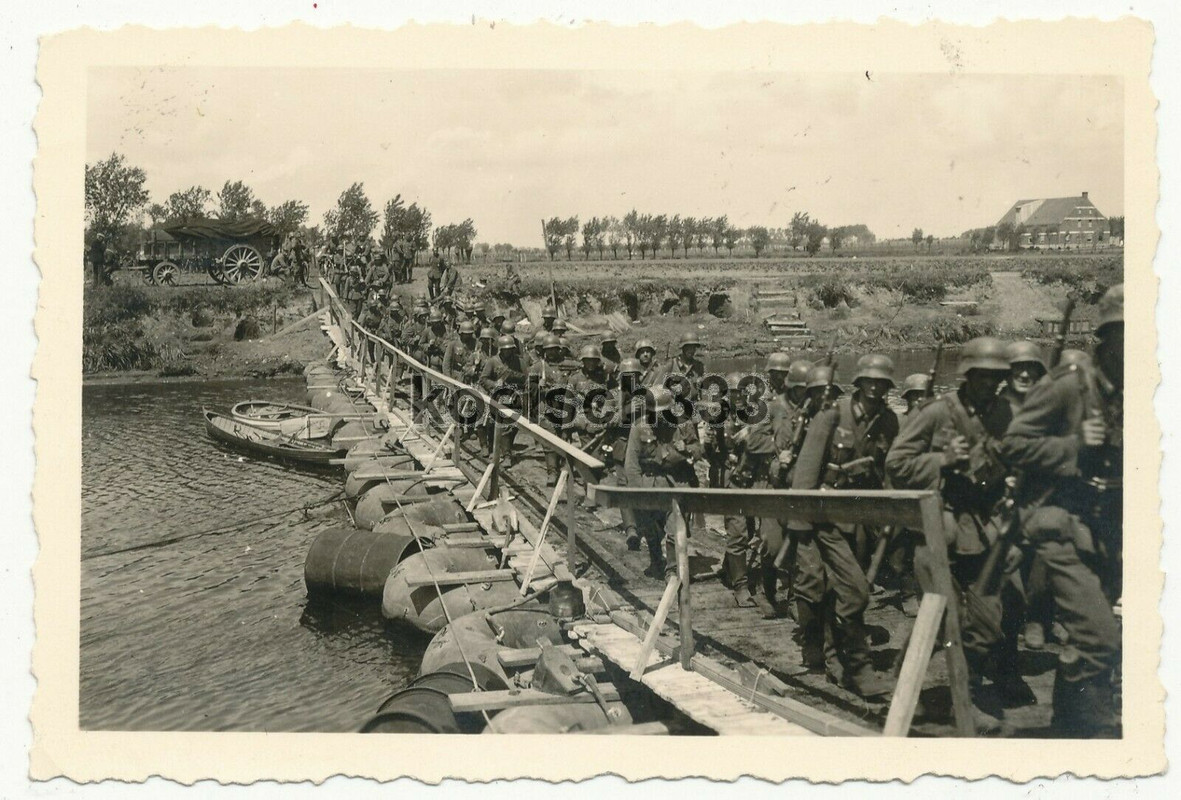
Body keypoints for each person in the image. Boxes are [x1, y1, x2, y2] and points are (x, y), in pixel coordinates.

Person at [886, 337, 1034, 728]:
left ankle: (946, 691)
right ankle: (940, 697)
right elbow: (897, 464)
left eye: (996, 378)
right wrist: (941, 460)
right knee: (941, 619)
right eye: (982, 377)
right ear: (967, 376)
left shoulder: (1005, 414)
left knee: (987, 624)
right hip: (940, 529)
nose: (990, 384)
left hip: (983, 532)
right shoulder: (937, 413)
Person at [1001, 285, 1123, 737]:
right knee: (1100, 639)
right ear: (1107, 341)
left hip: (1107, 528)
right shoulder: (1071, 386)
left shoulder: (1144, 389)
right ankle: (1086, 726)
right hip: (1058, 524)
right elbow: (1012, 443)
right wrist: (1073, 446)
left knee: (1085, 638)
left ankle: (1070, 730)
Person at [786, 354, 899, 698]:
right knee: (856, 592)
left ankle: (837, 663)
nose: (876, 388)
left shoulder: (889, 421)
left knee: (843, 592)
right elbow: (804, 474)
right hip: (825, 520)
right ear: (860, 383)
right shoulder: (833, 415)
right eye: (870, 382)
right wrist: (801, 528)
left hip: (862, 522)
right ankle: (857, 667)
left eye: (883, 383)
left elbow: (889, 470)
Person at [624, 386, 702, 577]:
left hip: (677, 482)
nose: (659, 417)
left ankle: (672, 570)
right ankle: (656, 561)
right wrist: (638, 495)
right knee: (651, 529)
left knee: (675, 529)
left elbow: (698, 448)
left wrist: (688, 449)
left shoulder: (682, 424)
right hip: (650, 483)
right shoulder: (639, 427)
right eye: (654, 413)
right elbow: (631, 465)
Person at [479, 334, 530, 465]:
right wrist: (495, 384)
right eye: (505, 349)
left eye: (510, 349)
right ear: (501, 349)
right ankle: (504, 453)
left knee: (513, 426)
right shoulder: (492, 361)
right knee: (494, 425)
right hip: (497, 396)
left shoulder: (519, 362)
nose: (508, 351)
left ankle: (506, 449)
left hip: (514, 396)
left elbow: (527, 378)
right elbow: (483, 379)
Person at [1004, 340, 1049, 413]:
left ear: (1038, 372)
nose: (1025, 375)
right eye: (1018, 367)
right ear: (1007, 372)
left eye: (1030, 368)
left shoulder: (1046, 405)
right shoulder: (996, 408)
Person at [668, 332, 706, 399]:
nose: (691, 350)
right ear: (683, 347)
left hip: (694, 405)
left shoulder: (699, 366)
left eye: (693, 348)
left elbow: (704, 389)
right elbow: (660, 388)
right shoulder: (671, 364)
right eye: (688, 347)